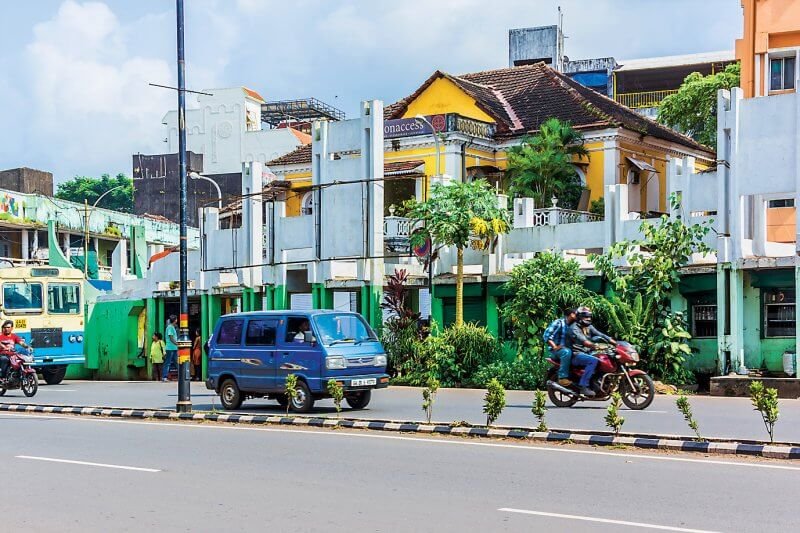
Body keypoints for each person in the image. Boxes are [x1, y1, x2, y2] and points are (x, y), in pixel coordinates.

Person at [567, 306, 616, 398]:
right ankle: (583, 386)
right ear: (579, 317)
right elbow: (584, 342)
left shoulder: (589, 327)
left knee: (603, 359)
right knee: (593, 361)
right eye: (585, 317)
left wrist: (615, 343)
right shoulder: (574, 328)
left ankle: (597, 384)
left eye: (589, 317)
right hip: (576, 354)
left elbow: (600, 334)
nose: (588, 319)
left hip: (587, 352)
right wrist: (596, 346)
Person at [542, 309, 577, 388]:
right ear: (571, 314)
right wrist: (555, 347)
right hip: (557, 352)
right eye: (576, 314)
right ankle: (562, 377)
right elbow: (547, 336)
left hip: (569, 350)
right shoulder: (559, 323)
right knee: (566, 352)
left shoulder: (573, 325)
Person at [163, 315, 178, 382]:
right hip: (170, 348)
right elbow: (171, 337)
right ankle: (164, 376)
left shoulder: (172, 327)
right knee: (168, 362)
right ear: (175, 320)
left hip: (174, 348)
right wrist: (176, 343)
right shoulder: (170, 327)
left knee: (177, 362)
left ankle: (182, 375)